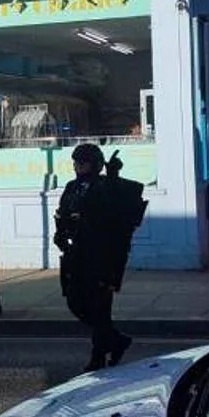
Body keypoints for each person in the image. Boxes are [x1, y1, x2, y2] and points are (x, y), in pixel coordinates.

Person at [54, 143, 145, 371]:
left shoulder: (107, 186)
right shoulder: (72, 187)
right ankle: (116, 341)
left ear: (95, 163)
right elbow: (63, 213)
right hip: (76, 253)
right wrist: (60, 233)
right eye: (75, 162)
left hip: (103, 255)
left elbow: (115, 209)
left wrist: (113, 175)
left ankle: (98, 357)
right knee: (75, 301)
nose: (77, 166)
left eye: (82, 162)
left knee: (100, 306)